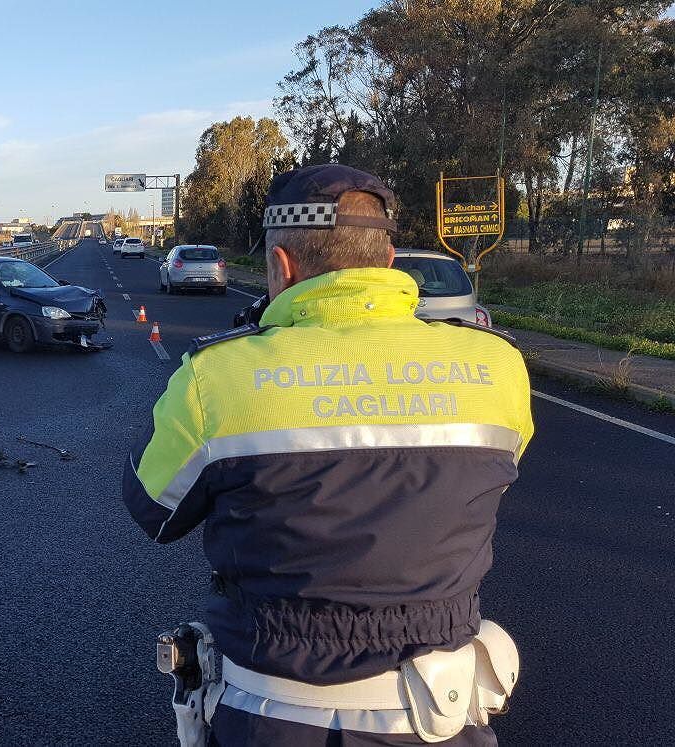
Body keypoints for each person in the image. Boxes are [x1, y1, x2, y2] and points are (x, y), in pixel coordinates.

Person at [123, 164, 534, 746]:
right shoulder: (498, 366)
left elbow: (154, 510)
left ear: (282, 265)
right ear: (388, 261)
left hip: (269, 719)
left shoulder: (214, 377)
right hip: (443, 722)